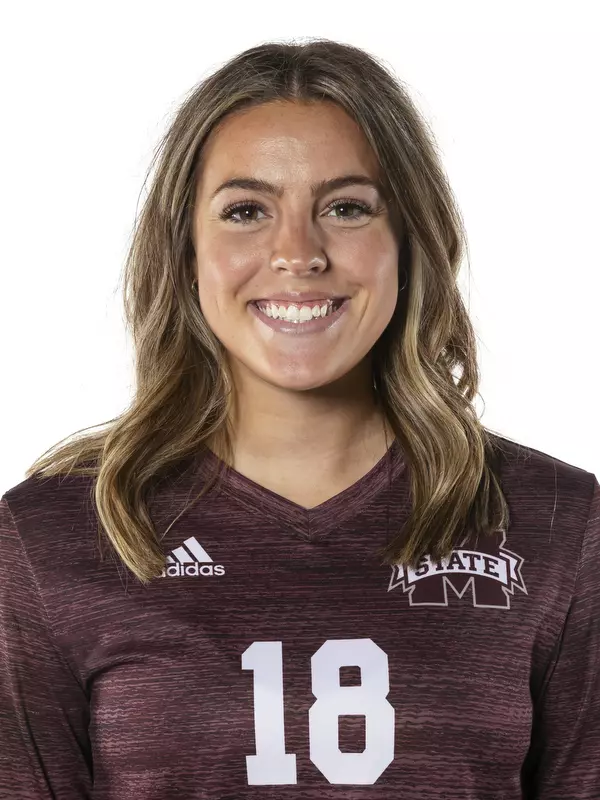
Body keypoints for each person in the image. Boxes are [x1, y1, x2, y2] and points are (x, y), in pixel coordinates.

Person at [0, 38, 598, 800]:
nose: (297, 252)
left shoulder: (558, 525)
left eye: (345, 208)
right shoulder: (50, 539)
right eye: (246, 211)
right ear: (186, 250)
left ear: (409, 241)